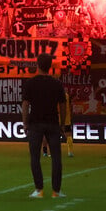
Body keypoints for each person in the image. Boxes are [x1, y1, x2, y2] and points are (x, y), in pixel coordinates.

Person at [22, 53, 66, 198]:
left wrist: (25, 122)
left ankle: (39, 189)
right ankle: (56, 191)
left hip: (35, 123)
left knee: (35, 157)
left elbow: (25, 104)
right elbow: (63, 105)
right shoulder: (56, 83)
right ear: (50, 66)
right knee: (56, 158)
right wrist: (62, 123)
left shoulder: (31, 83)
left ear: (38, 65)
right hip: (53, 122)